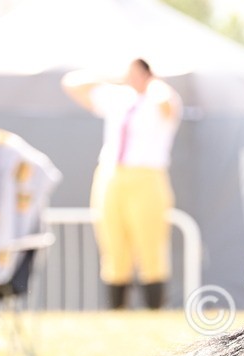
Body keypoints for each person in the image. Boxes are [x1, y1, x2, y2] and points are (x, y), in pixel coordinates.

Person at [62, 59, 181, 310]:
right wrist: (116, 76)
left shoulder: (160, 96)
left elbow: (164, 102)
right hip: (111, 174)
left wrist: (150, 79)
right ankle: (117, 310)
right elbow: (72, 83)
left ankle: (154, 309)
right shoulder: (118, 97)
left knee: (150, 245)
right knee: (112, 243)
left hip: (147, 175)